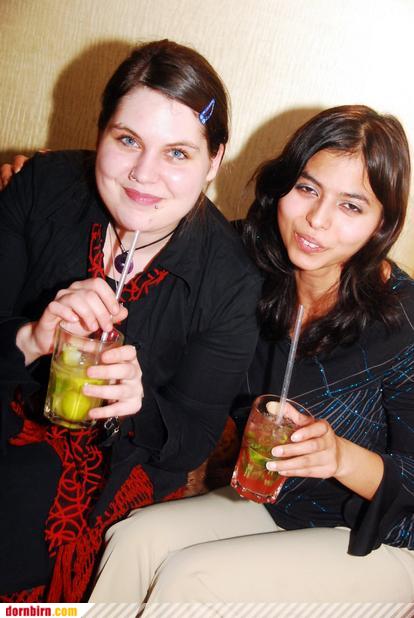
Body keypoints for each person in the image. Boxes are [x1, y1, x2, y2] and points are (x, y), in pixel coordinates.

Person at [88, 105, 414, 607]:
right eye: (307, 188)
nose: (317, 220)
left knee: (191, 581)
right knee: (134, 540)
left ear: (381, 224)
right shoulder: (249, 263)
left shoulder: (403, 319)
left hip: (382, 539)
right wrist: (47, 178)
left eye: (351, 206)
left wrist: (340, 457)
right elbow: (157, 216)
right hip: (277, 507)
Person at [0, 39, 262, 602]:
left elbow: (191, 438)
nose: (144, 175)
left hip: (116, 458)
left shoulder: (231, 281)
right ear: (101, 133)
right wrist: (30, 338)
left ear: (214, 161)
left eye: (178, 153)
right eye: (128, 140)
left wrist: (137, 403)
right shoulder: (42, 186)